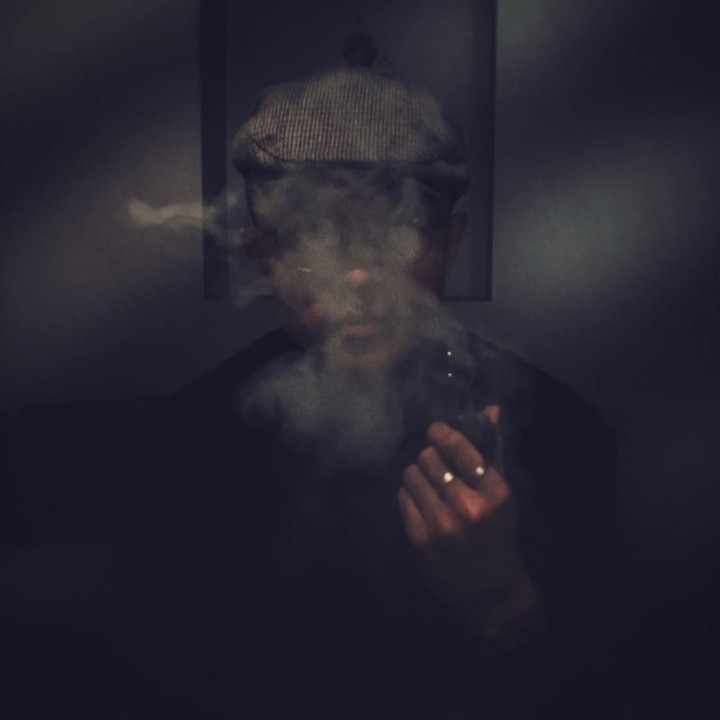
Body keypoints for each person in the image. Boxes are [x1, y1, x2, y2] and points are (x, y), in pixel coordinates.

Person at [2, 66, 620, 719]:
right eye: (309, 236)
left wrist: (504, 605)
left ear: (450, 241)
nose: (356, 274)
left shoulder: (563, 437)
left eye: (397, 229)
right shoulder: (187, 442)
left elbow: (593, 688)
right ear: (262, 257)